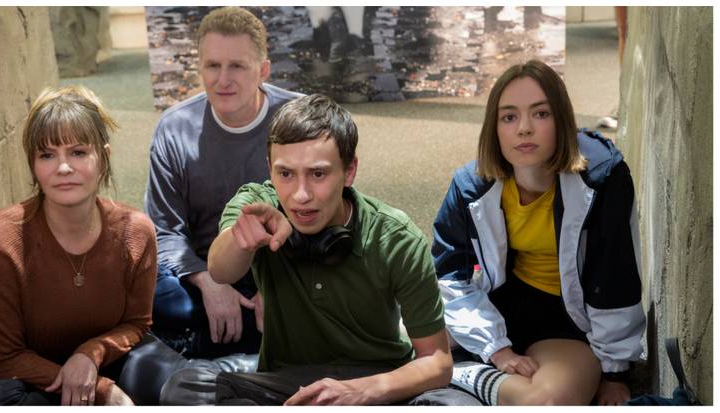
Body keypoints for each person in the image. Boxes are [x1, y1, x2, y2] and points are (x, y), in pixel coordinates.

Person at [161, 94, 474, 406]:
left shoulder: (397, 238)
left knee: (455, 406)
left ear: (349, 171)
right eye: (285, 174)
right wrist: (244, 239)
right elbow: (220, 269)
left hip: (377, 382)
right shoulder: (257, 205)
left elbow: (437, 361)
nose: (300, 195)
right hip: (289, 384)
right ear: (270, 169)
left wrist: (362, 390)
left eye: (318, 174)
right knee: (186, 388)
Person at [431, 59, 645, 405]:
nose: (524, 129)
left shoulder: (603, 178)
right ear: (494, 128)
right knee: (393, 341)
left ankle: (454, 374)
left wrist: (614, 372)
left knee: (547, 402)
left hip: (566, 319)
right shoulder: (470, 187)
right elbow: (449, 277)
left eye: (541, 114)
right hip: (494, 305)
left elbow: (616, 277)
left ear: (562, 121)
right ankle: (456, 370)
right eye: (509, 117)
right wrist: (497, 349)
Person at [0, 85, 167, 405]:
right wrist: (103, 392)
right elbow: (2, 357)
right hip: (28, 377)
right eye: (47, 155)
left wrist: (90, 354)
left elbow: (137, 323)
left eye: (77, 152)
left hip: (109, 360)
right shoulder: (1, 240)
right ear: (33, 164)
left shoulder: (136, 230)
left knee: (168, 381)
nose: (63, 168)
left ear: (103, 157)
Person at [144, 6, 302, 360]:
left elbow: (328, 211)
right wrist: (209, 280)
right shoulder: (173, 129)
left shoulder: (300, 120)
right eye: (213, 66)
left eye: (237, 66)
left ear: (263, 70)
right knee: (149, 296)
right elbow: (164, 229)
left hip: (286, 262)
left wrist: (282, 286)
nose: (222, 79)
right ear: (199, 67)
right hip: (202, 269)